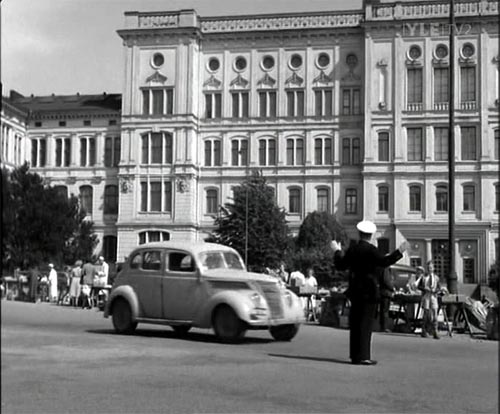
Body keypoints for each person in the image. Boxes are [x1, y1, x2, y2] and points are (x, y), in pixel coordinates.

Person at [330, 220, 409, 366]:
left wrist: (337, 250)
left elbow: (341, 265)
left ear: (359, 234)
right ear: (371, 235)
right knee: (366, 324)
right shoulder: (372, 250)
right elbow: (385, 262)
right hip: (369, 290)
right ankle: (364, 356)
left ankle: (355, 355)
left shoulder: (353, 250)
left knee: (355, 323)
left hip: (355, 290)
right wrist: (399, 251)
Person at [418, 260, 442, 340]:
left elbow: (439, 287)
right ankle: (424, 330)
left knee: (435, 313)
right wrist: (424, 288)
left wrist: (436, 290)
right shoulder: (424, 277)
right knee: (426, 313)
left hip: (434, 296)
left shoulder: (436, 278)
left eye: (431, 268)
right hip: (426, 296)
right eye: (428, 268)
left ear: (433, 268)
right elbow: (419, 286)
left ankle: (435, 331)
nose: (430, 269)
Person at [378, 268, 395, 332]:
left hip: (386, 292)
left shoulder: (387, 269)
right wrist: (392, 287)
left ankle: (383, 326)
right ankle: (384, 327)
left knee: (384, 310)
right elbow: (386, 280)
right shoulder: (385, 269)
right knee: (385, 310)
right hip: (385, 292)